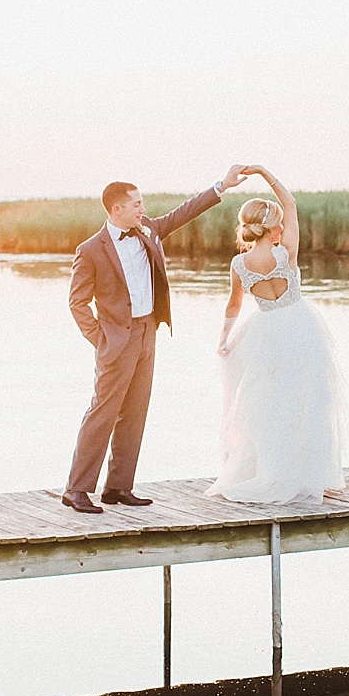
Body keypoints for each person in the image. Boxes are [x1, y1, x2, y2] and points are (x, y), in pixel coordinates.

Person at [64, 166, 248, 514]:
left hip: (149, 330)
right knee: (103, 412)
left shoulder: (148, 229)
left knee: (135, 412)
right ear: (116, 209)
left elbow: (184, 212)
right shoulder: (90, 250)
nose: (142, 208)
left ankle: (118, 487)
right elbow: (77, 303)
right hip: (116, 339)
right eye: (135, 204)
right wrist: (102, 339)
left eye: (142, 202)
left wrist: (222, 185)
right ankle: (76, 489)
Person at [208, 165, 345, 504]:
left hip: (264, 333)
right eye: (279, 223)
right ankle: (306, 474)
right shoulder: (285, 253)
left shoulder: (239, 265)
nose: (284, 226)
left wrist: (224, 339)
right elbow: (292, 204)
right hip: (299, 328)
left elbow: (233, 305)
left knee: (268, 405)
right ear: (271, 228)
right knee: (308, 400)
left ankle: (269, 470)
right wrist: (264, 173)